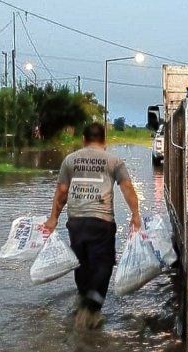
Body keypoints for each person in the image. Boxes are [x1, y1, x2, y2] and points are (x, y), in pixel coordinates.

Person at [43, 123, 141, 329]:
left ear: (83, 139)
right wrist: (135, 215)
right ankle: (91, 308)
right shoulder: (114, 161)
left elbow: (61, 191)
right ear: (104, 140)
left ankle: (82, 298)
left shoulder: (70, 160)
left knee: (81, 262)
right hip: (101, 221)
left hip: (76, 221)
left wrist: (53, 219)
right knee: (103, 265)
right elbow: (127, 188)